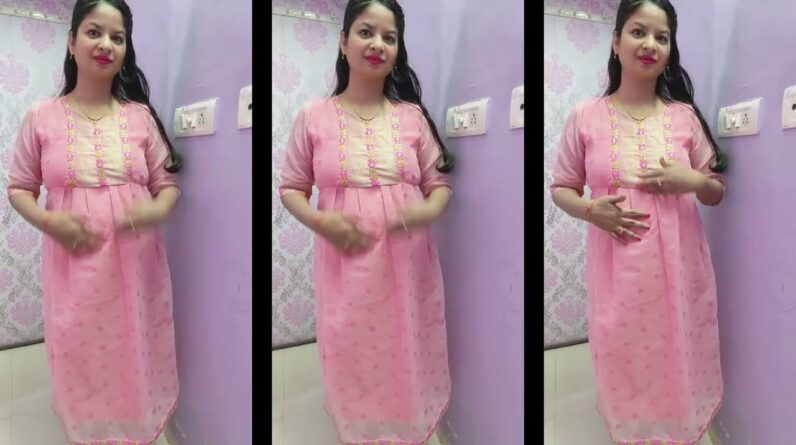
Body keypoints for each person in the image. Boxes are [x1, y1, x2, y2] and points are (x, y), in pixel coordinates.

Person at [550, 1, 727, 443]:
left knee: (677, 344)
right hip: (618, 268)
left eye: (661, 37)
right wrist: (592, 210)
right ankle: (632, 428)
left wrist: (692, 179)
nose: (650, 44)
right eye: (638, 32)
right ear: (615, 41)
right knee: (624, 346)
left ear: (669, 50)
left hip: (679, 264)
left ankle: (679, 422)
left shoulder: (684, 117)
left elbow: (716, 191)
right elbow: (561, 188)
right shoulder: (585, 115)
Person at [6, 1, 182, 443]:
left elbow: (167, 186)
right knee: (80, 342)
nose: (106, 44)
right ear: (71, 42)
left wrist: (153, 211)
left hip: (136, 261)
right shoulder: (41, 116)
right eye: (93, 32)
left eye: (117, 38)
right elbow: (19, 188)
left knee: (133, 338)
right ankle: (87, 425)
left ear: (125, 50)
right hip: (73, 261)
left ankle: (136, 417)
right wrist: (50, 222)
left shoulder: (139, 118)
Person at [279, 0, 455, 443]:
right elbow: (291, 189)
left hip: (407, 259)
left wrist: (424, 211)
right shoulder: (313, 116)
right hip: (345, 260)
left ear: (397, 51)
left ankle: (407, 419)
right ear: (343, 42)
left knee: (405, 337)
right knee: (352, 341)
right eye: (365, 32)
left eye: (389, 38)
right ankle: (359, 426)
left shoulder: (412, 118)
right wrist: (323, 222)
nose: (377, 44)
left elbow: (439, 185)